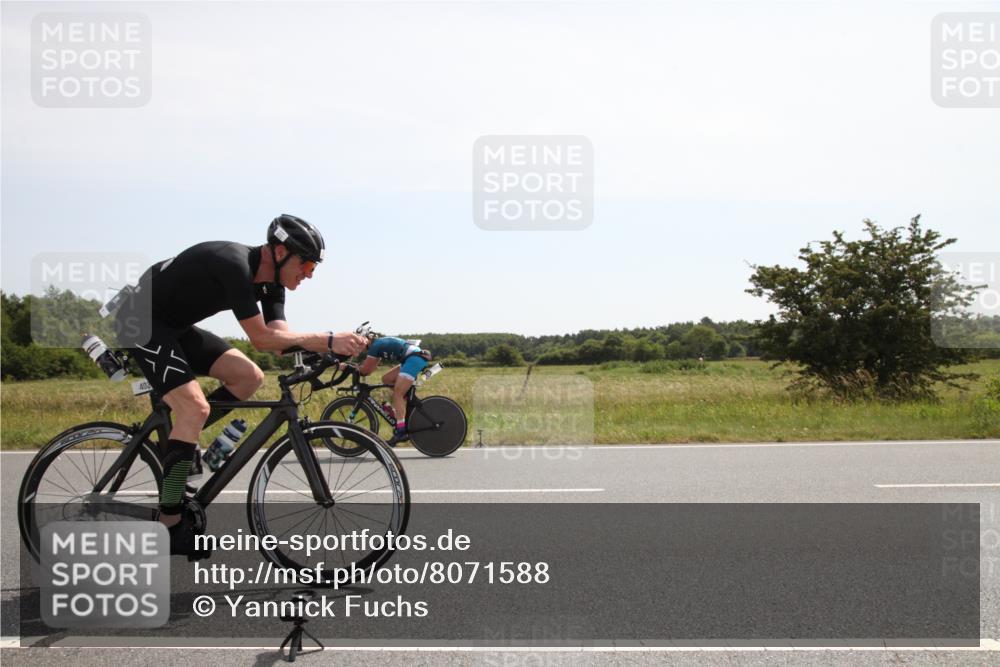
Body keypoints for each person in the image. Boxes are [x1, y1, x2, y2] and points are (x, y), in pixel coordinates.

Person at [113, 214, 367, 558]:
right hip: (139, 321)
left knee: (249, 377)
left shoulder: (271, 285)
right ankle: (170, 524)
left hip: (174, 326)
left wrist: (328, 351)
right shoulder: (234, 264)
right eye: (306, 263)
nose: (309, 273)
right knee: (195, 408)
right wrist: (329, 339)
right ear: (279, 252)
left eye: (313, 267)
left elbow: (280, 342)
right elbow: (262, 339)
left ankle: (176, 447)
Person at [349, 335, 432, 445]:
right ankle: (399, 411)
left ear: (369, 340)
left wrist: (347, 367)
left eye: (360, 342)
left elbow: (366, 371)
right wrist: (357, 367)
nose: (359, 345)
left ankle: (401, 431)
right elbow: (370, 368)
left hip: (414, 359)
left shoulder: (375, 346)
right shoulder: (377, 346)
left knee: (397, 394)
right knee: (386, 379)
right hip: (411, 359)